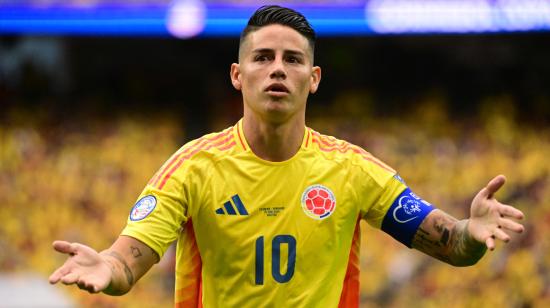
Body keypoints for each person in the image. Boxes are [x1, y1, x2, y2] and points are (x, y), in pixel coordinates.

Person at [49, 5, 525, 307]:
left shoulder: (351, 169)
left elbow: (447, 243)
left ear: (313, 78)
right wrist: (107, 268)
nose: (277, 69)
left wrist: (469, 233)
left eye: (292, 59)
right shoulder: (193, 168)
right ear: (238, 74)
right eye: (263, 58)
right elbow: (129, 260)